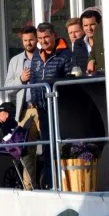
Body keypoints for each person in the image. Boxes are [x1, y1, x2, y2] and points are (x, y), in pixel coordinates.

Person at [23, 22, 73, 188]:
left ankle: (65, 184)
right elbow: (33, 80)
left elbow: (70, 79)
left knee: (61, 146)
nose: (43, 41)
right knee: (47, 147)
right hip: (42, 109)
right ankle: (51, 184)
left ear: (54, 35)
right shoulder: (37, 55)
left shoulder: (65, 54)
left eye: (46, 37)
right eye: (40, 38)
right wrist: (37, 102)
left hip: (60, 109)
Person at [3, 26, 38, 109]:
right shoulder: (14, 61)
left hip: (43, 108)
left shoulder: (44, 56)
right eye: (25, 40)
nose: (28, 43)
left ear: (37, 39)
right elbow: (7, 89)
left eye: (31, 40)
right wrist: (21, 79)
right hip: (24, 110)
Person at [80, 9, 102, 75]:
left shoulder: (107, 42)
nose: (89, 29)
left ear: (99, 24)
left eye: (92, 24)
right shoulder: (78, 44)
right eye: (85, 25)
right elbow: (78, 65)